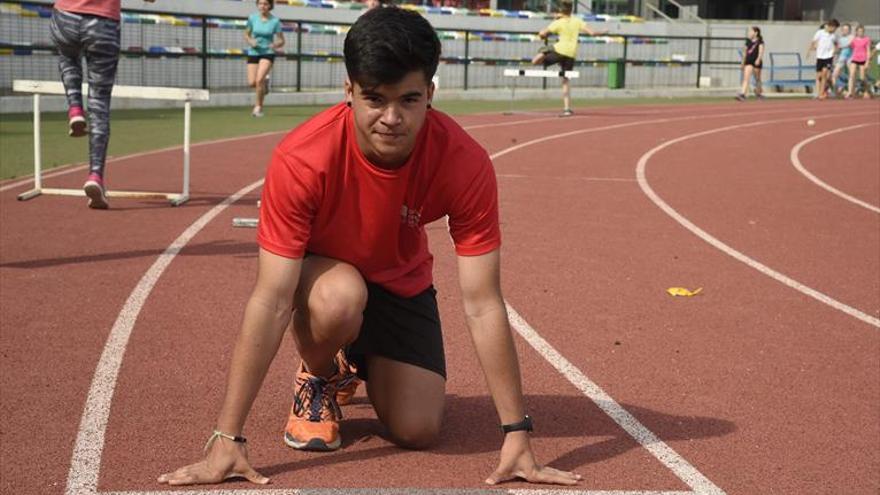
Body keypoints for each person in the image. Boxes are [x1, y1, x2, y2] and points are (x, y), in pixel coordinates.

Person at [157, 7, 581, 488]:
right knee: (341, 298)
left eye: (409, 99)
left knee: (419, 428)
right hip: (326, 283)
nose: (392, 118)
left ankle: (350, 361)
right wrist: (227, 436)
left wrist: (517, 432)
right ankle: (318, 373)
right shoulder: (302, 159)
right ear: (349, 92)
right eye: (374, 99)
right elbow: (272, 298)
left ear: (431, 95)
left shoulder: (464, 163)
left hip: (401, 284)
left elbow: (483, 302)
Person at [49, 0, 155, 209]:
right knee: (99, 100)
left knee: (68, 58)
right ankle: (95, 175)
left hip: (65, 15)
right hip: (103, 22)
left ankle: (75, 108)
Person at [531, 0, 606, 117]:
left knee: (535, 61)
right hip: (571, 54)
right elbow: (592, 33)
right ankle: (567, 108)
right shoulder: (577, 21)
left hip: (559, 50)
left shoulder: (558, 22)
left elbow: (542, 34)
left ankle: (546, 51)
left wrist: (553, 21)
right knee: (565, 81)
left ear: (561, 11)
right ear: (571, 10)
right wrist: (604, 32)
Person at [245, 0, 284, 117]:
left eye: (265, 4)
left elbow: (281, 40)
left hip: (267, 52)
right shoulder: (252, 18)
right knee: (252, 83)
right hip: (254, 51)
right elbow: (246, 34)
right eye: (260, 3)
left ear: (270, 6)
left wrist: (275, 45)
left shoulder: (275, 21)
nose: (263, 6)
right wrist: (250, 41)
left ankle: (258, 107)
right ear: (257, 5)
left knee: (259, 80)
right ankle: (264, 86)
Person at [808, 19, 839, 100]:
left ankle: (821, 93)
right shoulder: (820, 33)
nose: (835, 30)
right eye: (834, 28)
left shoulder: (834, 35)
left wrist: (834, 51)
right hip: (820, 57)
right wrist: (811, 49)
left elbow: (836, 44)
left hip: (828, 57)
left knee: (825, 74)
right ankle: (817, 93)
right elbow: (813, 41)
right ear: (830, 26)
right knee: (819, 76)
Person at [736, 26, 764, 101]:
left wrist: (758, 59)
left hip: (756, 62)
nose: (749, 33)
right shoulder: (748, 41)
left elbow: (761, 52)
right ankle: (742, 94)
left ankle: (759, 93)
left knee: (757, 79)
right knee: (746, 78)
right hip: (748, 61)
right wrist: (742, 62)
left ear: (756, 33)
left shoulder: (760, 41)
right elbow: (745, 52)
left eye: (751, 31)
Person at [846, 25, 872, 99]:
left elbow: (868, 50)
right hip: (854, 59)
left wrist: (867, 61)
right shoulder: (854, 40)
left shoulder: (867, 39)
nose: (860, 33)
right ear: (856, 32)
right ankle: (850, 92)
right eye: (859, 31)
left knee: (862, 78)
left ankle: (866, 91)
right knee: (851, 75)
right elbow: (850, 48)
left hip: (863, 60)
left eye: (862, 31)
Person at [830, 23, 852, 97]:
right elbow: (838, 48)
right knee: (834, 75)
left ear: (849, 30)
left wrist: (841, 47)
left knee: (851, 75)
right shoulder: (840, 38)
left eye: (847, 29)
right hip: (842, 57)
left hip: (850, 58)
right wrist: (833, 52)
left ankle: (850, 92)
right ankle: (838, 90)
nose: (845, 31)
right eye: (844, 29)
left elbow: (850, 45)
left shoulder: (852, 37)